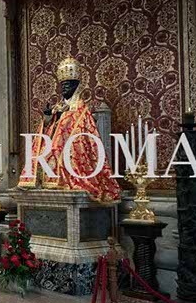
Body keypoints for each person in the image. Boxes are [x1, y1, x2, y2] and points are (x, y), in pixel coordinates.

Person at [18, 57, 121, 202]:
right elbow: (48, 131)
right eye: (63, 85)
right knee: (41, 155)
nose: (65, 88)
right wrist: (47, 119)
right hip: (54, 146)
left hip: (71, 147)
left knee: (57, 152)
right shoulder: (56, 108)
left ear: (77, 86)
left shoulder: (81, 110)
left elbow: (83, 133)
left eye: (69, 85)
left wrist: (65, 118)